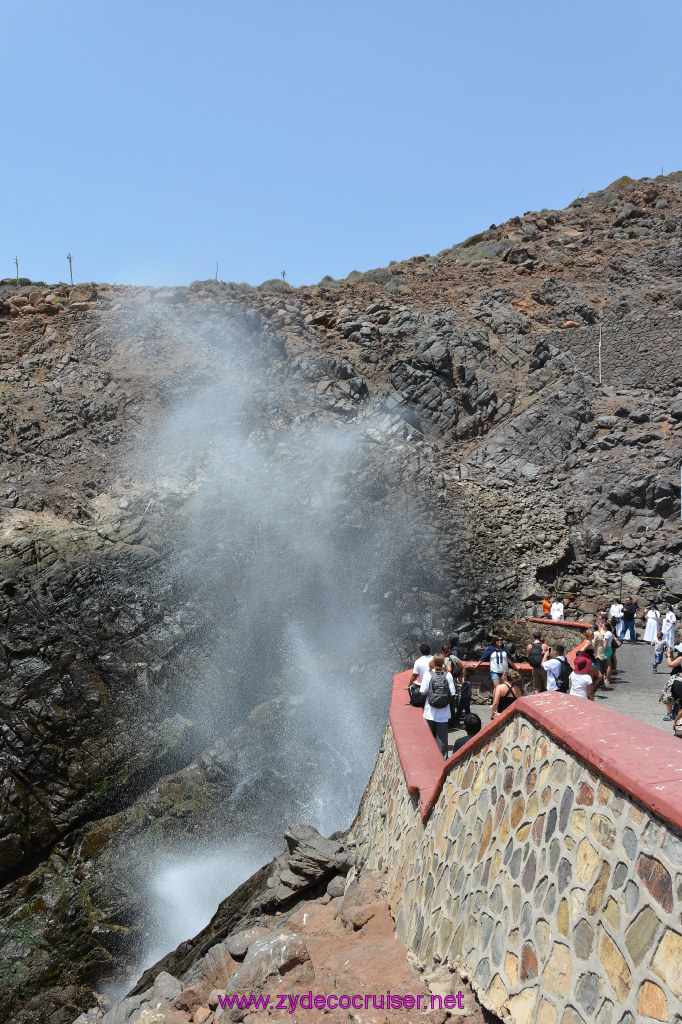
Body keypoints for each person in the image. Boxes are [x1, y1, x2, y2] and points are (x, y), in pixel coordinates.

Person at [420, 654, 456, 758]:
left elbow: (423, 691)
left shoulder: (428, 674)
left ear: (434, 663)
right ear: (444, 663)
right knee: (442, 740)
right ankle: (443, 760)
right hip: (444, 713)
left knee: (429, 738)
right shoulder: (448, 675)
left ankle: (429, 758)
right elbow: (453, 693)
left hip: (430, 711)